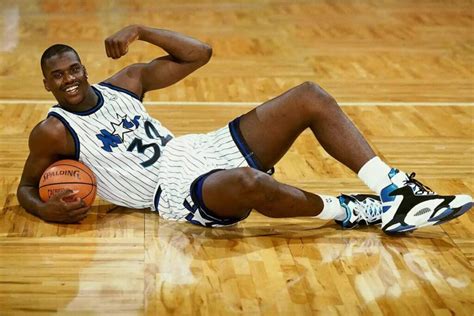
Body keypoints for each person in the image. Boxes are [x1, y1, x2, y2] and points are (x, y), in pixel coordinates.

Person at [17, 24, 472, 233]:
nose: (69, 79)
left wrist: (141, 30)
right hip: (171, 192)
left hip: (197, 150)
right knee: (249, 183)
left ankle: (394, 192)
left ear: (84, 68)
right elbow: (25, 187)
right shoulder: (53, 131)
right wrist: (43, 210)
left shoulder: (125, 83)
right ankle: (354, 211)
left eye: (74, 69)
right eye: (58, 76)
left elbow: (200, 53)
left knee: (309, 95)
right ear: (46, 84)